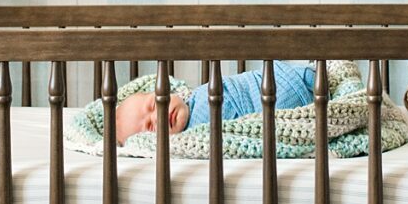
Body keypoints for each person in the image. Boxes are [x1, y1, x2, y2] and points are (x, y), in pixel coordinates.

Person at [115, 60, 315, 145]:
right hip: (285, 101)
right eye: (150, 127)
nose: (158, 116)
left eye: (153, 105)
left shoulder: (193, 97)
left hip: (281, 78)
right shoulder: (191, 139)